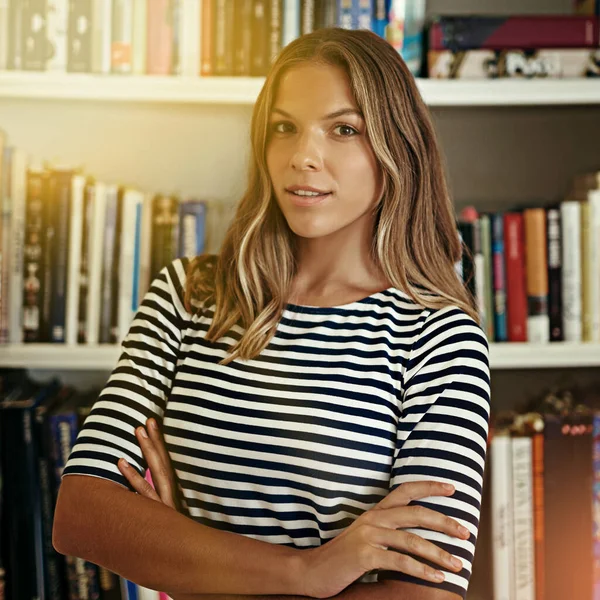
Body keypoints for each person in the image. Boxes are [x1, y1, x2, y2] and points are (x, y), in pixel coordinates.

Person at [53, 26, 490, 600]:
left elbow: (422, 594)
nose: (303, 157)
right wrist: (309, 572)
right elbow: (82, 513)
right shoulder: (189, 294)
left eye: (344, 129)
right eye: (284, 128)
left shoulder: (439, 338)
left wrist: (181, 554)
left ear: (396, 147)